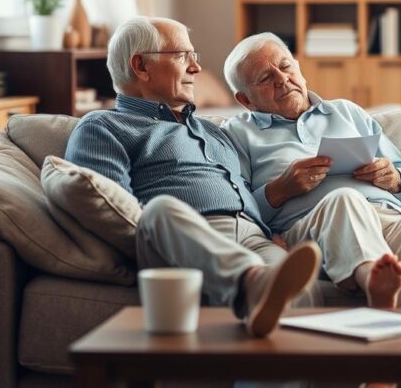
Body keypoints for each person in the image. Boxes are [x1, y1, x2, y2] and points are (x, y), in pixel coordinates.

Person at [65, 17, 321, 337]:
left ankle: (260, 286)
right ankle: (252, 280)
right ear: (141, 66)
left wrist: (271, 233)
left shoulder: (214, 131)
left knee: (298, 297)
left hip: (254, 236)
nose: (196, 69)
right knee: (159, 210)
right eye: (182, 56)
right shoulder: (102, 127)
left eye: (194, 57)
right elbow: (113, 208)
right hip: (182, 237)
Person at [222, 33, 401, 309]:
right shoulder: (238, 133)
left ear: (299, 68)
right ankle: (370, 275)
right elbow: (237, 209)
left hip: (385, 218)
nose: (282, 79)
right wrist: (281, 189)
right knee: (345, 199)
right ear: (245, 100)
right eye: (265, 78)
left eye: (286, 66)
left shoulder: (347, 112)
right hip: (311, 232)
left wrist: (394, 179)